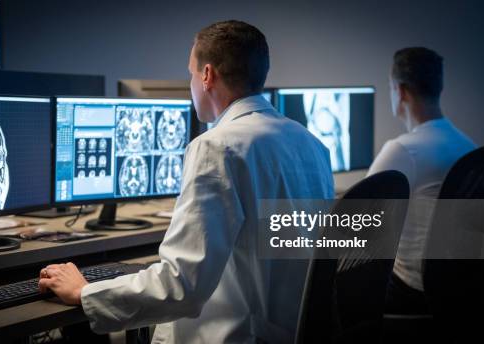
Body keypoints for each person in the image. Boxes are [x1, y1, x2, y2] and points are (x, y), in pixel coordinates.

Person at [38, 20, 333, 343]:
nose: (191, 83)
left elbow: (182, 286)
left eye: (191, 73)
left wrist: (85, 291)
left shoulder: (217, 147)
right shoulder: (311, 143)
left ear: (207, 75)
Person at [367, 47, 476, 313]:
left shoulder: (404, 150)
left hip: (411, 290)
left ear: (400, 91)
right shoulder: (467, 145)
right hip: (459, 289)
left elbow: (355, 218)